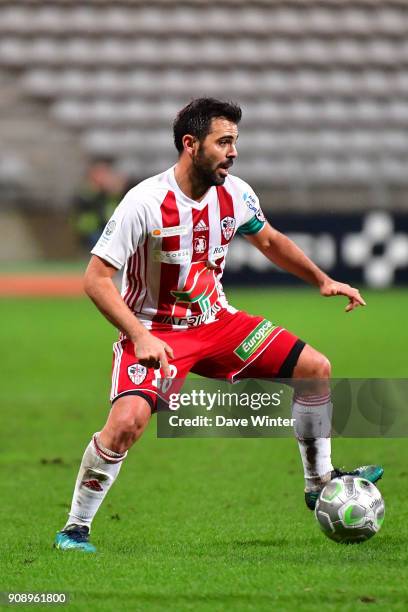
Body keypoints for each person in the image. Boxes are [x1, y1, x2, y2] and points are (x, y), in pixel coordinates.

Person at [55, 98, 383, 553]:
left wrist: (322, 280)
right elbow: (95, 279)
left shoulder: (235, 192)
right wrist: (139, 335)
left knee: (315, 368)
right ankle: (75, 527)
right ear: (191, 145)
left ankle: (317, 482)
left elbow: (268, 239)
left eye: (235, 141)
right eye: (223, 141)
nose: (233, 152)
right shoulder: (144, 202)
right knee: (127, 422)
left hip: (218, 322)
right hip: (156, 331)